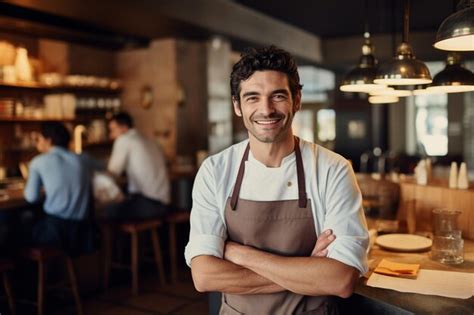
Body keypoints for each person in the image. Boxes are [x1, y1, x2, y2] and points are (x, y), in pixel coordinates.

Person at [185, 46, 369, 314]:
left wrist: (238, 253)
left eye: (278, 96)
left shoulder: (333, 169)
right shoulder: (215, 170)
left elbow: (340, 279)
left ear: (297, 100)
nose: (266, 109)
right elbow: (204, 276)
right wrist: (306, 268)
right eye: (252, 98)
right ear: (237, 106)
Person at [23, 122, 97, 256]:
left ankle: (30, 275)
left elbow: (31, 197)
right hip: (83, 232)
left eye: (38, 139)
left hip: (57, 233)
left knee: (18, 224)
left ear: (48, 140)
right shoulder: (84, 159)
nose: (37, 143)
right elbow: (106, 169)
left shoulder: (38, 161)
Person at [106, 112, 171, 220]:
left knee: (108, 210)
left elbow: (112, 172)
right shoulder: (148, 140)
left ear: (123, 128)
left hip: (149, 205)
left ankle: (124, 237)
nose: (111, 135)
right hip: (164, 203)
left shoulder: (124, 139)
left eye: (113, 130)